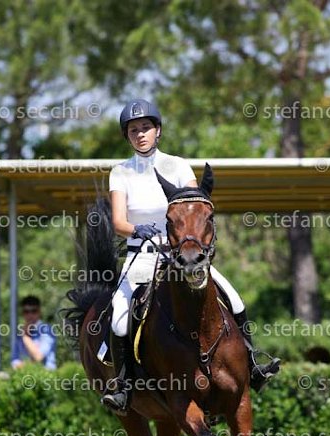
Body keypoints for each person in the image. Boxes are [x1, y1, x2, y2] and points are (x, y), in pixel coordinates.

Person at [101, 99, 279, 413]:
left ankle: (252, 365)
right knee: (119, 315)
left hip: (182, 253)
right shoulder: (120, 172)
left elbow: (196, 205)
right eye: (133, 130)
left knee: (234, 299)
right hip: (142, 254)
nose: (140, 134)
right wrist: (137, 229)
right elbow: (118, 222)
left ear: (157, 130)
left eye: (145, 127)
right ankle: (124, 386)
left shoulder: (179, 166)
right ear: (126, 136)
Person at [11, 295, 57, 370]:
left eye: (34, 311)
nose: (30, 315)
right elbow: (15, 362)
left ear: (39, 311)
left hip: (45, 375)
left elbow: (38, 357)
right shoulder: (20, 333)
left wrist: (25, 336)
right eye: (26, 311)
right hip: (24, 374)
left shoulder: (47, 330)